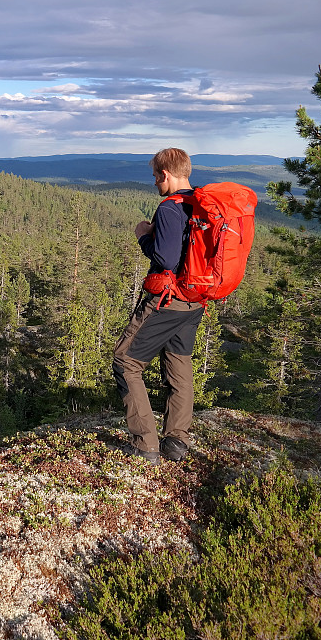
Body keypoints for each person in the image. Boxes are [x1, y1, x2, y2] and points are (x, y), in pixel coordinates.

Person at [113, 148, 204, 465]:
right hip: (195, 301)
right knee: (179, 364)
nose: (154, 182)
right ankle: (176, 441)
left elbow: (165, 259)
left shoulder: (169, 208)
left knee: (126, 362)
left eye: (155, 176)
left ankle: (145, 446)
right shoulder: (200, 205)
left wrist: (143, 236)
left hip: (167, 300)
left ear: (166, 174)